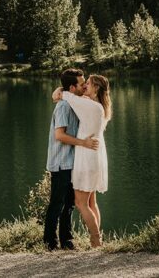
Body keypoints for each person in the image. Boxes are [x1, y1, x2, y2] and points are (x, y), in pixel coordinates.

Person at [51, 74, 112, 248]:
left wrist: (67, 92)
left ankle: (96, 240)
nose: (84, 86)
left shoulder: (89, 105)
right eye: (83, 83)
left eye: (88, 83)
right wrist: (82, 95)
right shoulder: (99, 106)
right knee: (92, 202)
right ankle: (97, 241)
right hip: (95, 156)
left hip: (86, 158)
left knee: (81, 203)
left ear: (96, 88)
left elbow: (57, 94)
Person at [44, 68, 98, 251]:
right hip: (61, 162)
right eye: (81, 83)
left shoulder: (74, 102)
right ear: (73, 87)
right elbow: (59, 135)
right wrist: (83, 143)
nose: (84, 86)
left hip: (73, 162)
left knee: (69, 205)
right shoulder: (64, 106)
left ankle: (67, 241)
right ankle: (49, 242)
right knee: (57, 204)